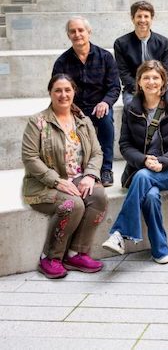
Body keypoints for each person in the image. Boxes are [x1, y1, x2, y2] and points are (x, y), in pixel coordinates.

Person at [101, 61, 168, 264]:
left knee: (142, 177)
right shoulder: (131, 109)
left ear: (163, 81)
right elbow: (124, 145)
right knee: (150, 196)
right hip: (142, 168)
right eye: (146, 78)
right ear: (139, 82)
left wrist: (164, 162)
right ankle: (160, 250)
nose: (151, 82)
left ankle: (119, 233)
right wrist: (143, 159)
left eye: (155, 77)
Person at [21, 74, 107, 278]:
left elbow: (97, 153)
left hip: (77, 178)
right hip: (45, 183)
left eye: (67, 90)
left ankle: (76, 253)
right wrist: (56, 181)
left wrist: (90, 175)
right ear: (50, 93)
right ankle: (49, 258)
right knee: (73, 204)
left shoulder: (82, 121)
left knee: (98, 196)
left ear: (74, 92)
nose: (63, 95)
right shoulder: (38, 122)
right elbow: (30, 157)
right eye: (58, 90)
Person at [52, 17, 121, 187]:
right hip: (74, 107)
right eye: (73, 31)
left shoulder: (105, 57)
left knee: (106, 120)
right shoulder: (62, 62)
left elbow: (114, 87)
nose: (77, 34)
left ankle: (106, 169)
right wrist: (69, 108)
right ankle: (76, 169)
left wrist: (106, 102)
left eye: (81, 30)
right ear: (68, 35)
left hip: (99, 105)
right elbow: (57, 90)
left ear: (89, 32)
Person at [113, 1, 168, 106]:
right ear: (132, 18)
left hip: (157, 87)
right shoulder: (120, 43)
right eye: (139, 16)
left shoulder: (164, 42)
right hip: (133, 89)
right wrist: (142, 88)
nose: (143, 20)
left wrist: (154, 87)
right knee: (132, 107)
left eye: (146, 16)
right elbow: (124, 73)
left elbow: (165, 71)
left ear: (151, 19)